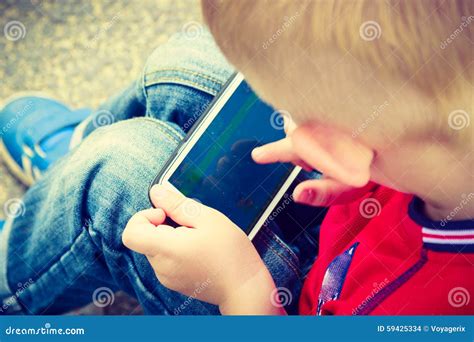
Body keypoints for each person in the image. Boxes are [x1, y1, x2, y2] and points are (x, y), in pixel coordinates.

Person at [1, 0, 473, 315]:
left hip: (274, 309)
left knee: (116, 175)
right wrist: (377, 180)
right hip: (360, 209)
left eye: (289, 109)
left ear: (336, 148)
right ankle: (71, 173)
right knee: (186, 65)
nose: (277, 110)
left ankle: (49, 244)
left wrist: (240, 289)